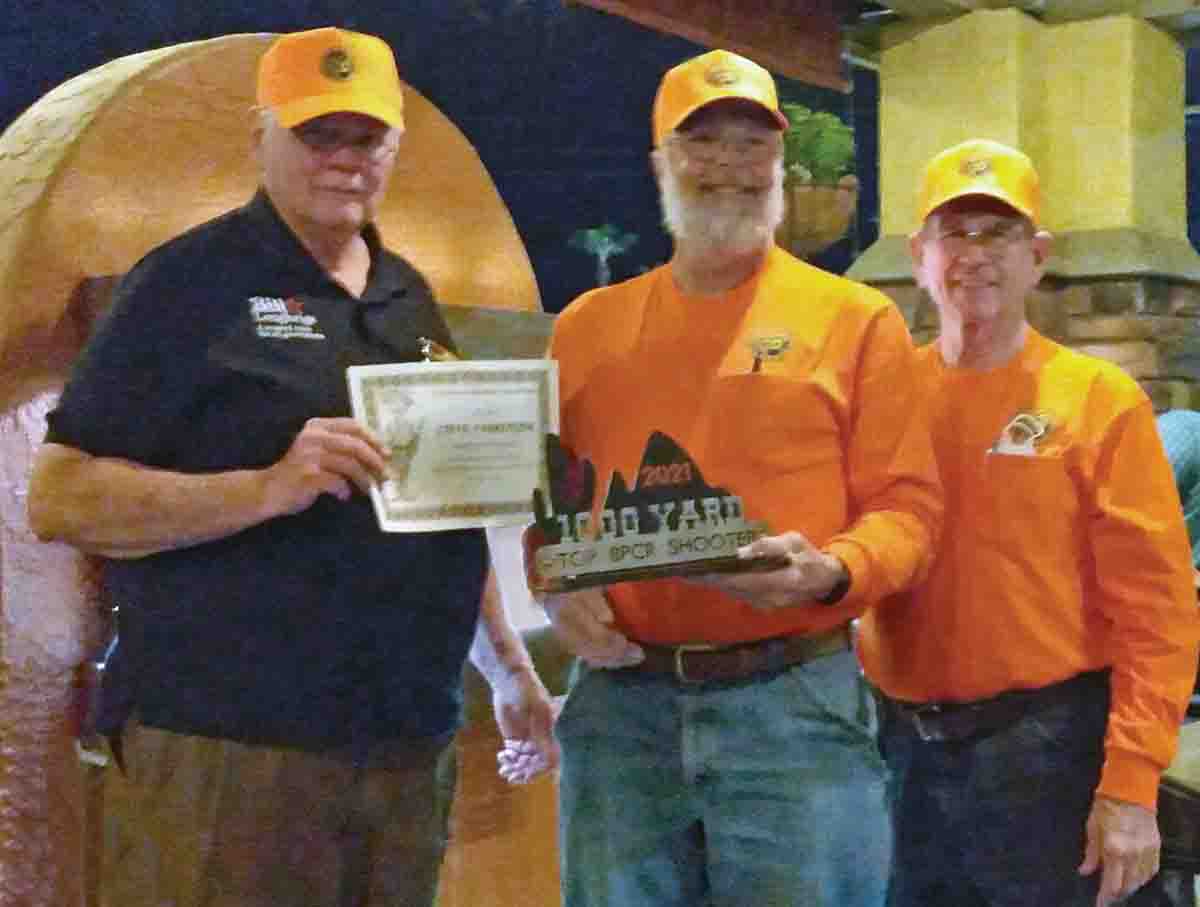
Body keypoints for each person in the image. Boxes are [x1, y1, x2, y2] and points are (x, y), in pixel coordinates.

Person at [26, 27, 556, 907]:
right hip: (230, 752)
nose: (345, 159)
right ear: (262, 137)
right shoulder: (188, 283)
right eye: (318, 133)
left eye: (366, 136)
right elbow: (61, 495)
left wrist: (509, 669)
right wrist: (267, 487)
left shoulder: (408, 297)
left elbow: (445, 511)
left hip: (403, 750)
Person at [539, 49, 943, 907]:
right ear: (659, 163)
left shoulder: (855, 318)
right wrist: (556, 587)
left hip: (793, 705)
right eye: (703, 142)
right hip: (620, 715)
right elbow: (554, 505)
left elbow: (909, 511)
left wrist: (830, 571)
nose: (730, 165)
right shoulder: (585, 326)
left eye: (751, 144)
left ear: (781, 167)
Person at [839, 138, 1200, 907]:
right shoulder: (881, 392)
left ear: (1036, 256)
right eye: (955, 231)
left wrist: (1131, 787)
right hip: (896, 755)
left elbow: (1158, 610)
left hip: (1049, 753)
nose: (976, 253)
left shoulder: (1098, 401)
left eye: (998, 232)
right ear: (920, 254)